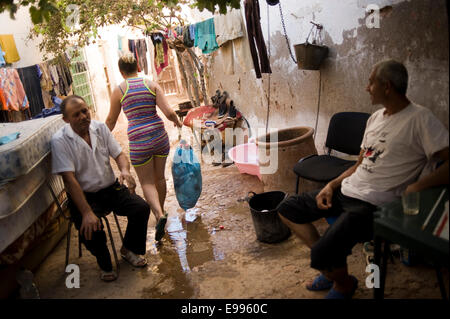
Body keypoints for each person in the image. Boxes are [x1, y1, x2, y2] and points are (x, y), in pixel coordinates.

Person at [278, 59, 449, 299]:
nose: (367, 88)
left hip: (373, 205)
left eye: (371, 83)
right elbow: (359, 164)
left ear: (387, 86)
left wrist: (418, 186)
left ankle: (341, 282)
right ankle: (333, 270)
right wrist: (331, 185)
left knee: (322, 253)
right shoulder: (375, 118)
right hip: (346, 191)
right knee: (287, 208)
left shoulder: (421, 119)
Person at [51, 95, 150, 282]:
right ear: (66, 119)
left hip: (110, 188)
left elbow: (119, 154)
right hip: (83, 196)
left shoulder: (100, 128)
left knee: (141, 208)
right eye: (76, 115)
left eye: (84, 111)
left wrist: (124, 170)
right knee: (90, 226)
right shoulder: (60, 140)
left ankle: (128, 249)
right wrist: (87, 212)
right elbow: (69, 180)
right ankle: (104, 263)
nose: (83, 117)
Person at [106, 53, 183, 242]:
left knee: (147, 182)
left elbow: (111, 120)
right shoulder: (151, 85)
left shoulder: (119, 90)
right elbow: (169, 111)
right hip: (159, 136)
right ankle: (162, 209)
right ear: (138, 66)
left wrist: (100, 137)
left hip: (139, 141)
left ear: (121, 71)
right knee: (160, 178)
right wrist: (178, 122)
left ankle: (157, 214)